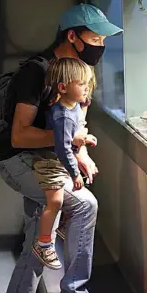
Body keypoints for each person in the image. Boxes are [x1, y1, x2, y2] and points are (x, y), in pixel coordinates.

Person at [0, 3, 123, 293]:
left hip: (50, 162)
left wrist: (79, 153)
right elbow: (20, 136)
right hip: (19, 162)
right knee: (82, 205)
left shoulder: (79, 72)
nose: (100, 45)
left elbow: (76, 124)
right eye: (94, 37)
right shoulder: (37, 72)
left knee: (40, 238)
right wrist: (72, 142)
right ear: (72, 36)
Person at [33, 57, 97, 270]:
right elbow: (62, 148)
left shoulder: (75, 107)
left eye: (87, 83)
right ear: (63, 87)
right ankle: (43, 244)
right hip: (51, 163)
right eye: (81, 84)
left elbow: (74, 136)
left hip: (60, 159)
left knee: (76, 195)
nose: (87, 88)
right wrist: (73, 173)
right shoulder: (63, 116)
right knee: (56, 201)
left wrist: (84, 140)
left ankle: (62, 226)